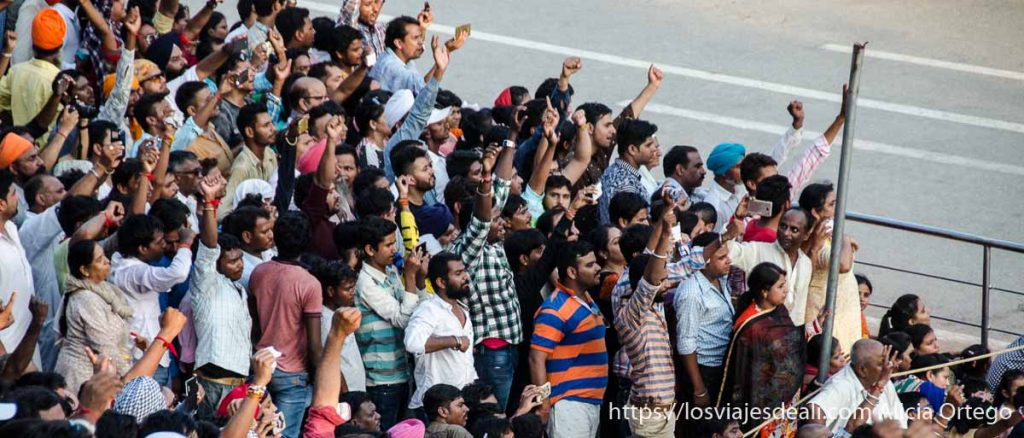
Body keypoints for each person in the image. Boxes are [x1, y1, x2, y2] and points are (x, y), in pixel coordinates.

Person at [248, 211, 323, 438]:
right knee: (285, 434)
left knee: (259, 431)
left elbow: (255, 324)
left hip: (262, 364)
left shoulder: (258, 273)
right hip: (293, 372)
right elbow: (313, 344)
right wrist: (321, 376)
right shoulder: (309, 283)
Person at [188, 174, 253, 421]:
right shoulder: (206, 282)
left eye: (240, 259)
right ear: (216, 263)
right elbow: (208, 245)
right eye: (233, 260)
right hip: (209, 383)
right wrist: (209, 202)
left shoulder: (238, 290)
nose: (240, 265)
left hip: (237, 384)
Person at [353, 215, 427, 429]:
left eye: (394, 243)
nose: (394, 249)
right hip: (382, 380)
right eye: (388, 245)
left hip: (401, 372)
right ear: (370, 250)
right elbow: (403, 319)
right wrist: (411, 276)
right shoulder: (365, 282)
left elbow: (415, 312)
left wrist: (418, 279)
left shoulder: (391, 273)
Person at [718, 262, 807, 437]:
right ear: (764, 292)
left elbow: (792, 341)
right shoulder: (752, 327)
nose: (786, 290)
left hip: (786, 398)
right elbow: (746, 373)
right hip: (763, 400)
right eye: (780, 286)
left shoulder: (779, 309)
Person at [530, 240, 607, 437]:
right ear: (572, 272)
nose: (598, 268)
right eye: (589, 265)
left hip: (588, 402)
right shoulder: (554, 309)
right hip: (568, 405)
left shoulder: (585, 299)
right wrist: (544, 404)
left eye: (595, 262)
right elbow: (536, 359)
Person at [615, 197, 677, 437]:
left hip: (662, 412)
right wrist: (664, 236)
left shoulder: (651, 309)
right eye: (662, 280)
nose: (667, 284)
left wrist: (663, 225)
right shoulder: (630, 315)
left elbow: (649, 260)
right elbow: (650, 281)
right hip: (649, 415)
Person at [109, 213, 194, 386]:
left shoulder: (120, 263)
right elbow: (177, 274)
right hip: (143, 358)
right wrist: (185, 245)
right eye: (159, 242)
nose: (164, 245)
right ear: (143, 249)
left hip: (147, 354)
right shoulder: (133, 272)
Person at [53, 239, 134, 395]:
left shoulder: (103, 290)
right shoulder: (86, 299)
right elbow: (104, 345)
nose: (107, 261)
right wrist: (130, 376)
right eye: (99, 260)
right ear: (84, 270)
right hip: (81, 378)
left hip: (98, 374)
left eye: (104, 256)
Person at [405, 253, 478, 413]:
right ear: (441, 282)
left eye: (464, 271)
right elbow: (412, 343)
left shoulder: (462, 308)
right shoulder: (428, 309)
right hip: (436, 407)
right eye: (458, 274)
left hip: (462, 401)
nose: (465, 277)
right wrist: (454, 340)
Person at [724, 206, 815, 329]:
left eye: (794, 230)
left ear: (806, 235)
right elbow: (725, 251)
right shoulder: (758, 250)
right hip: (757, 333)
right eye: (783, 226)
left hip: (787, 337)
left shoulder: (805, 263)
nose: (786, 233)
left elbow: (799, 311)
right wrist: (736, 220)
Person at [800, 182, 862, 354]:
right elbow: (842, 265)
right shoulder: (818, 238)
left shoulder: (828, 230)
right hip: (827, 308)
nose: (838, 207)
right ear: (815, 212)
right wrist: (845, 239)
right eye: (831, 204)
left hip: (843, 305)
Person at [674, 232, 734, 408]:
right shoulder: (691, 293)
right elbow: (686, 344)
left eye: (727, 255)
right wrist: (699, 389)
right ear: (704, 260)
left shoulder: (720, 279)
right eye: (721, 257)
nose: (728, 260)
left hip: (720, 364)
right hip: (703, 370)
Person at [806, 339, 908, 433]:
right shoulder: (841, 385)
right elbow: (815, 408)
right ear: (862, 370)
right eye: (882, 363)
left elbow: (900, 422)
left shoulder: (884, 379)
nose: (888, 366)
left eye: (888, 360)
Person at [0, 9, 64, 126]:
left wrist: (7, 52)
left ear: (33, 42)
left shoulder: (16, 71)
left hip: (15, 141)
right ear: (61, 44)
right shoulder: (60, 82)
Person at [310, 259, 364, 392]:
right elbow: (328, 361)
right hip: (343, 393)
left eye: (353, 287)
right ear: (330, 291)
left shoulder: (341, 314)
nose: (353, 292)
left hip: (355, 388)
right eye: (348, 289)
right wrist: (344, 392)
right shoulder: (325, 321)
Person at [220, 103, 278, 217]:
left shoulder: (270, 154)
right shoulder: (241, 167)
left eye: (272, 124)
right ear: (249, 132)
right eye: (266, 126)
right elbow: (222, 212)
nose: (273, 129)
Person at [597, 118, 658, 225]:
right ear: (632, 149)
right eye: (648, 145)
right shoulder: (625, 184)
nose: (654, 149)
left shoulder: (613, 169)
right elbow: (633, 226)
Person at [694, 143, 746, 232]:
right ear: (723, 172)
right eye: (739, 166)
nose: (745, 169)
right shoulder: (715, 207)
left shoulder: (738, 191)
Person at [856, 274, 873, 338]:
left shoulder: (860, 316)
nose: (862, 298)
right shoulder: (841, 316)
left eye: (866, 295)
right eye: (857, 294)